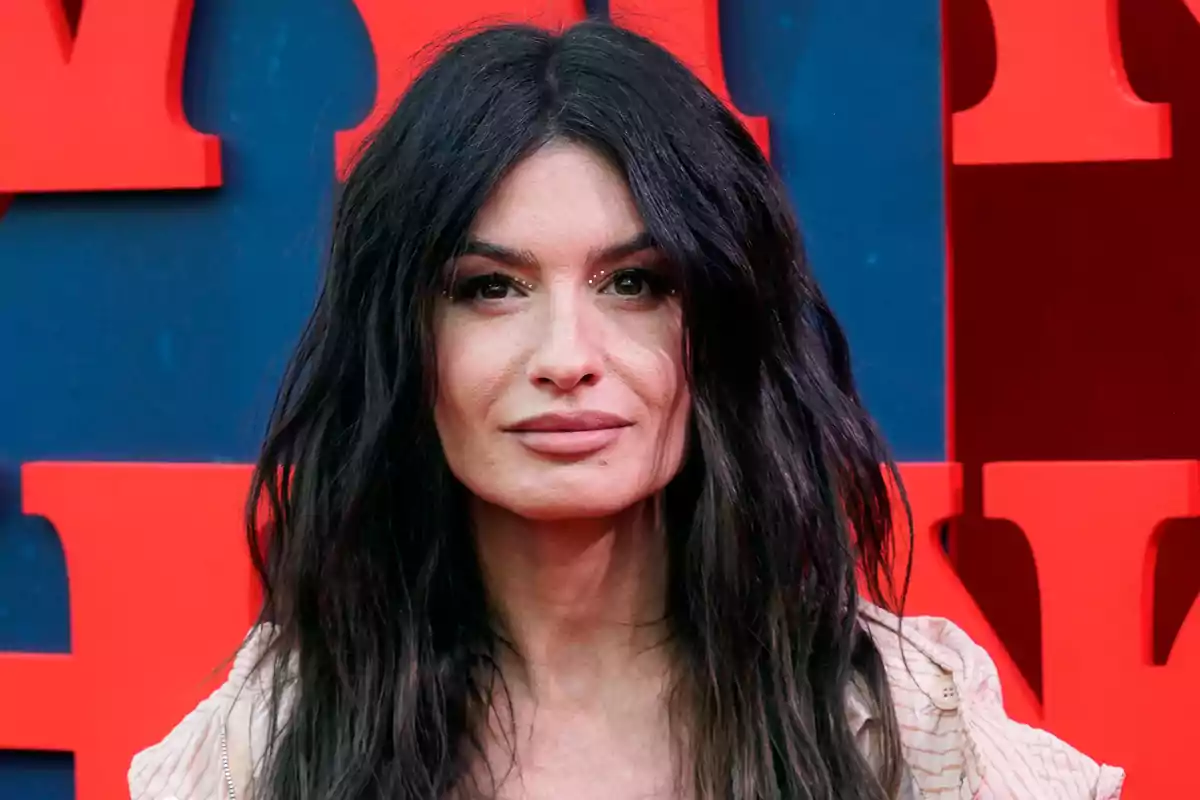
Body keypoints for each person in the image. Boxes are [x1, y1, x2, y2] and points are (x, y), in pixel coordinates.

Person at [128, 20, 1124, 800]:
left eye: (635, 283)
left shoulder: (903, 723)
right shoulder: (274, 738)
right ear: (404, 337)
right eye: (490, 287)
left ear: (720, 325)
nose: (567, 358)